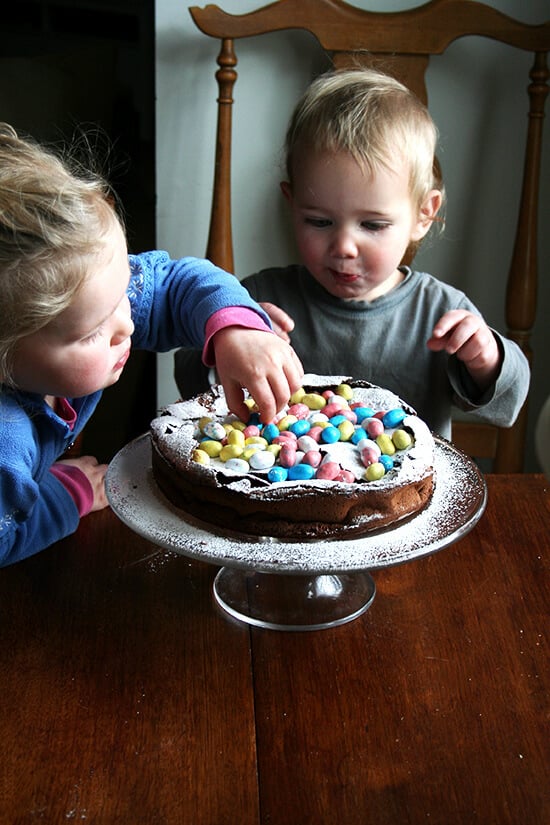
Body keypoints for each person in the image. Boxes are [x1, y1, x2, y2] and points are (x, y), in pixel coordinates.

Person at [0, 123, 303, 567]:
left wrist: (233, 328)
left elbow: (173, 287)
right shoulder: (6, 443)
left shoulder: (93, 297)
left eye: (122, 291)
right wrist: (68, 493)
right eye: (91, 332)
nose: (126, 324)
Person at [175, 68, 529, 442]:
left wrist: (486, 360)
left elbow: (508, 404)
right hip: (280, 492)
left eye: (373, 225)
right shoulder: (258, 303)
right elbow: (189, 377)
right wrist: (233, 340)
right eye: (319, 221)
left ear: (423, 215)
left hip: (408, 499)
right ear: (291, 205)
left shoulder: (441, 312)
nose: (344, 246)